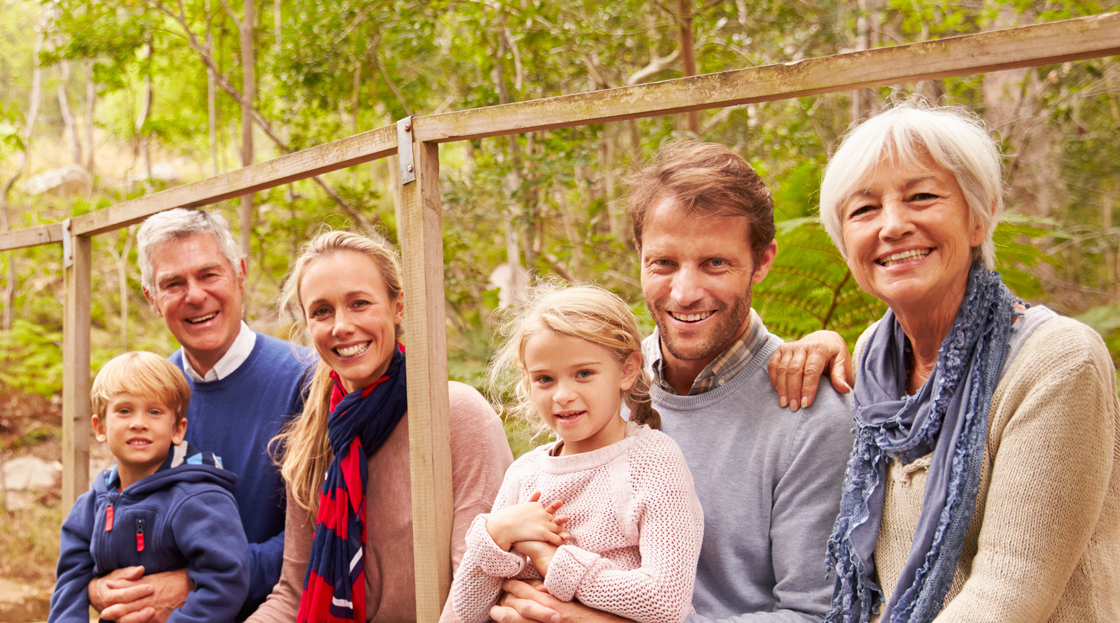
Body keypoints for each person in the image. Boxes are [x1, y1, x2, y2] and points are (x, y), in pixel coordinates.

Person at [779, 102, 1120, 621]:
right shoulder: (873, 355)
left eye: (922, 197)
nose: (892, 226)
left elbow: (1011, 589)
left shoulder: (1057, 362)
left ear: (979, 218)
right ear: (846, 244)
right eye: (864, 210)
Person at [493, 140, 855, 623]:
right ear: (640, 255)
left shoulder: (811, 414)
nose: (684, 293)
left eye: (715, 263)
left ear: (763, 261)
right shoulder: (593, 381)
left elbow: (816, 616)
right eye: (663, 263)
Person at [246, 230, 513, 622]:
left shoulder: (453, 414)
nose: (341, 326)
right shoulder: (315, 437)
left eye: (359, 303)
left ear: (397, 307)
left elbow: (480, 584)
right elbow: (292, 596)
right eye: (322, 311)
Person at [89, 209, 314, 622]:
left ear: (241, 275)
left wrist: (196, 581)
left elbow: (325, 533)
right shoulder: (150, 392)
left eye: (209, 275)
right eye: (173, 283)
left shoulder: (307, 380)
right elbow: (121, 509)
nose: (194, 295)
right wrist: (96, 582)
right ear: (151, 298)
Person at [452, 285, 704, 623]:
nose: (563, 395)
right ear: (527, 383)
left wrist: (551, 561)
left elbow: (664, 602)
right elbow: (465, 614)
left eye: (583, 373)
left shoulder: (653, 462)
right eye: (544, 379)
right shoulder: (524, 474)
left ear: (627, 370)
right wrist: (497, 533)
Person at [50, 351, 249, 623]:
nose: (139, 423)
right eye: (124, 410)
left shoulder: (198, 497)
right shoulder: (91, 504)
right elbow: (70, 582)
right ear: (100, 428)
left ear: (177, 430)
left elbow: (225, 579)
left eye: (154, 411)